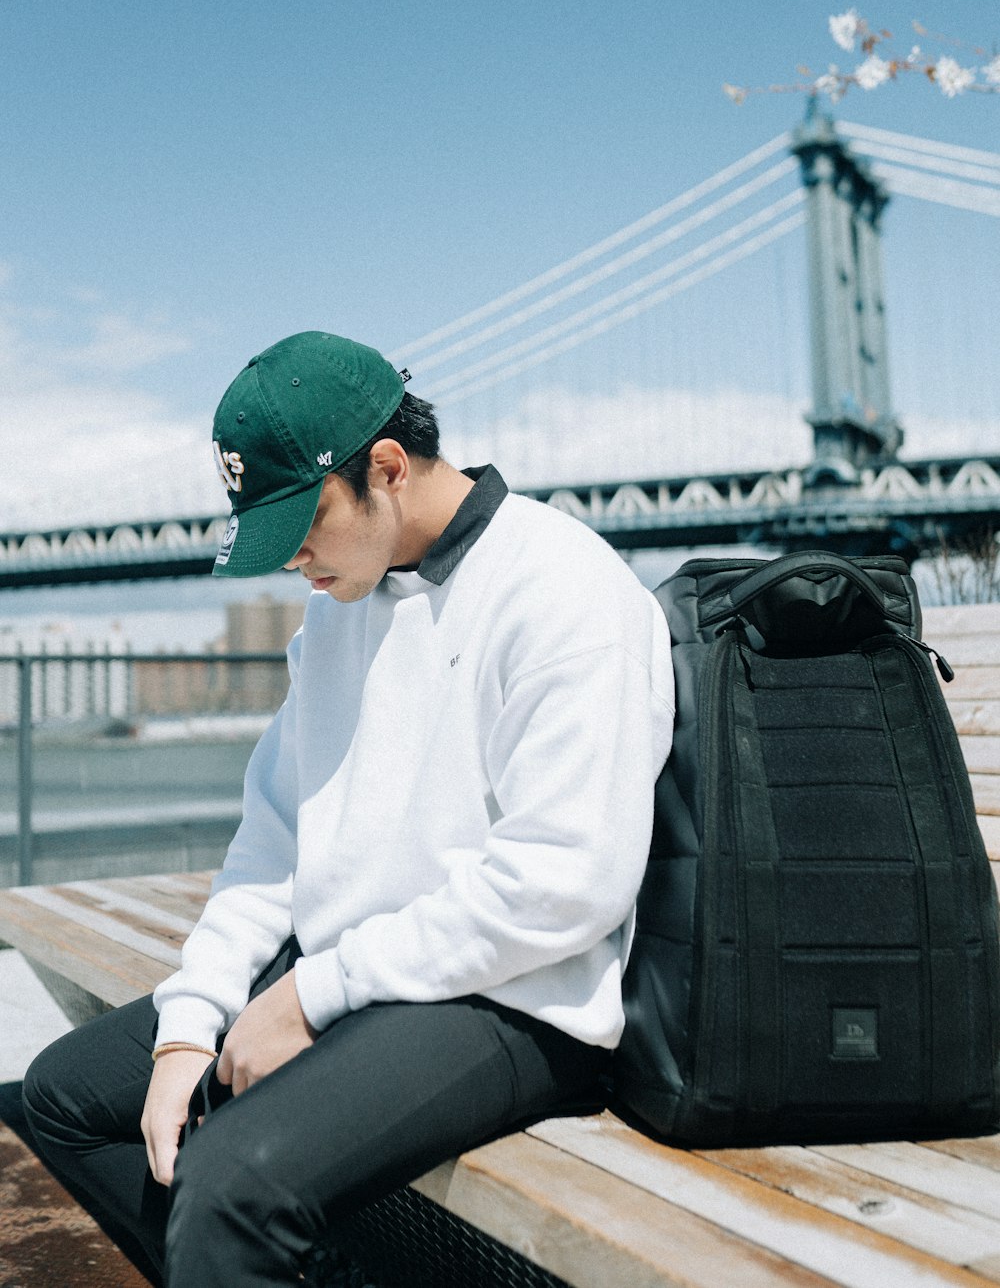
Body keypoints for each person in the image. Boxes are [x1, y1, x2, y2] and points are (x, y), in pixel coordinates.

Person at [24, 330, 675, 1288]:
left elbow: (566, 881)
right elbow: (273, 842)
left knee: (230, 1186)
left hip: (512, 993)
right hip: (357, 968)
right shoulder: (334, 611)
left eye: (304, 519)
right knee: (64, 1099)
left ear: (387, 467)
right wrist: (188, 1026)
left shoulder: (565, 588)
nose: (290, 555)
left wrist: (308, 996)